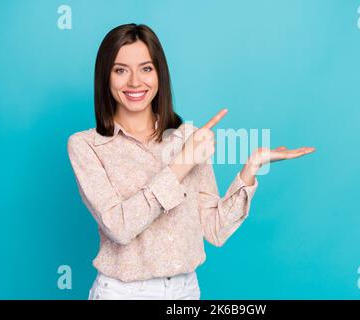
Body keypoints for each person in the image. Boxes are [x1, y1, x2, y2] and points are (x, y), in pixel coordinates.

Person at [67, 23, 316, 300]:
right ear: (105, 77)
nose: (135, 82)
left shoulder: (189, 137)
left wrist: (250, 169)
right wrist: (182, 163)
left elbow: (214, 229)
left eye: (146, 68)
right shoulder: (87, 145)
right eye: (121, 70)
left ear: (160, 73)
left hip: (185, 291)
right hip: (124, 292)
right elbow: (120, 228)